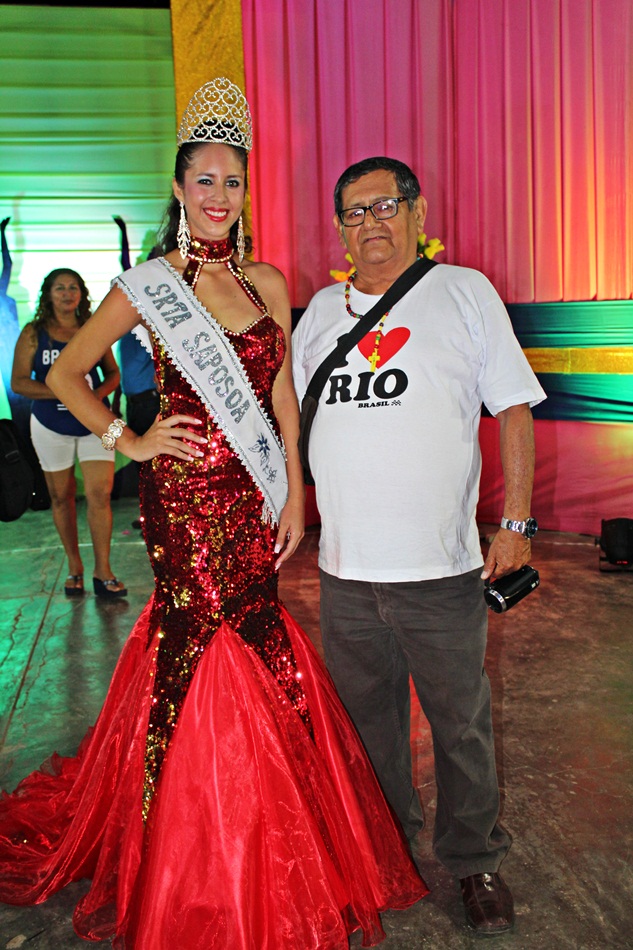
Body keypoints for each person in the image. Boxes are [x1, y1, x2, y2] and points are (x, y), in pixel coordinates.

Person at [0, 83, 426, 948]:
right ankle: (190, 846)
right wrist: (131, 439)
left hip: (256, 493)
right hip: (187, 499)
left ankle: (278, 836)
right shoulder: (148, 286)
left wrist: (295, 487)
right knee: (199, 646)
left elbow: (280, 393)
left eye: (233, 181)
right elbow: (66, 374)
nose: (220, 196)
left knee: (260, 634)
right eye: (204, 180)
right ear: (179, 187)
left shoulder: (266, 280)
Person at [292, 156, 547, 937]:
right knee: (365, 728)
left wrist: (516, 524)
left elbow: (513, 409)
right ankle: (382, 849)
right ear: (338, 228)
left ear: (417, 211)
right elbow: (289, 425)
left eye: (384, 205)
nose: (369, 222)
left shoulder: (463, 292)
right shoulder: (319, 316)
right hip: (344, 573)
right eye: (353, 211)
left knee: (458, 724)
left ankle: (473, 861)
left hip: (439, 569)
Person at [10, 268, 126, 597]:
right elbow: (19, 382)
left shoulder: (92, 327)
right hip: (49, 425)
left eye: (73, 287)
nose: (67, 293)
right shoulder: (34, 333)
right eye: (59, 288)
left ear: (81, 294)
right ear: (48, 294)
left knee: (100, 494)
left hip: (95, 423)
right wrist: (66, 392)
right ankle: (75, 567)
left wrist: (93, 397)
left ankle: (103, 571)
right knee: (61, 497)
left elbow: (113, 374)